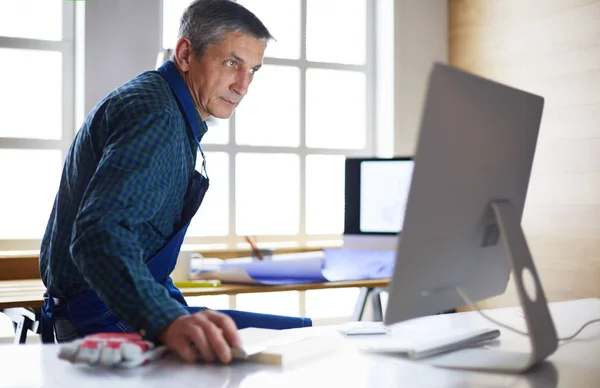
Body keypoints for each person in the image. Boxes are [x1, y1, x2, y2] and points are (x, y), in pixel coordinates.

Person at [39, 0, 311, 365]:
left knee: (297, 336)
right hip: (102, 315)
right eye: (232, 63)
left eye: (253, 70)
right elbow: (98, 236)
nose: (243, 85)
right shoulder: (157, 115)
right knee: (296, 353)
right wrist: (165, 319)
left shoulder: (161, 101)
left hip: (112, 305)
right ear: (185, 53)